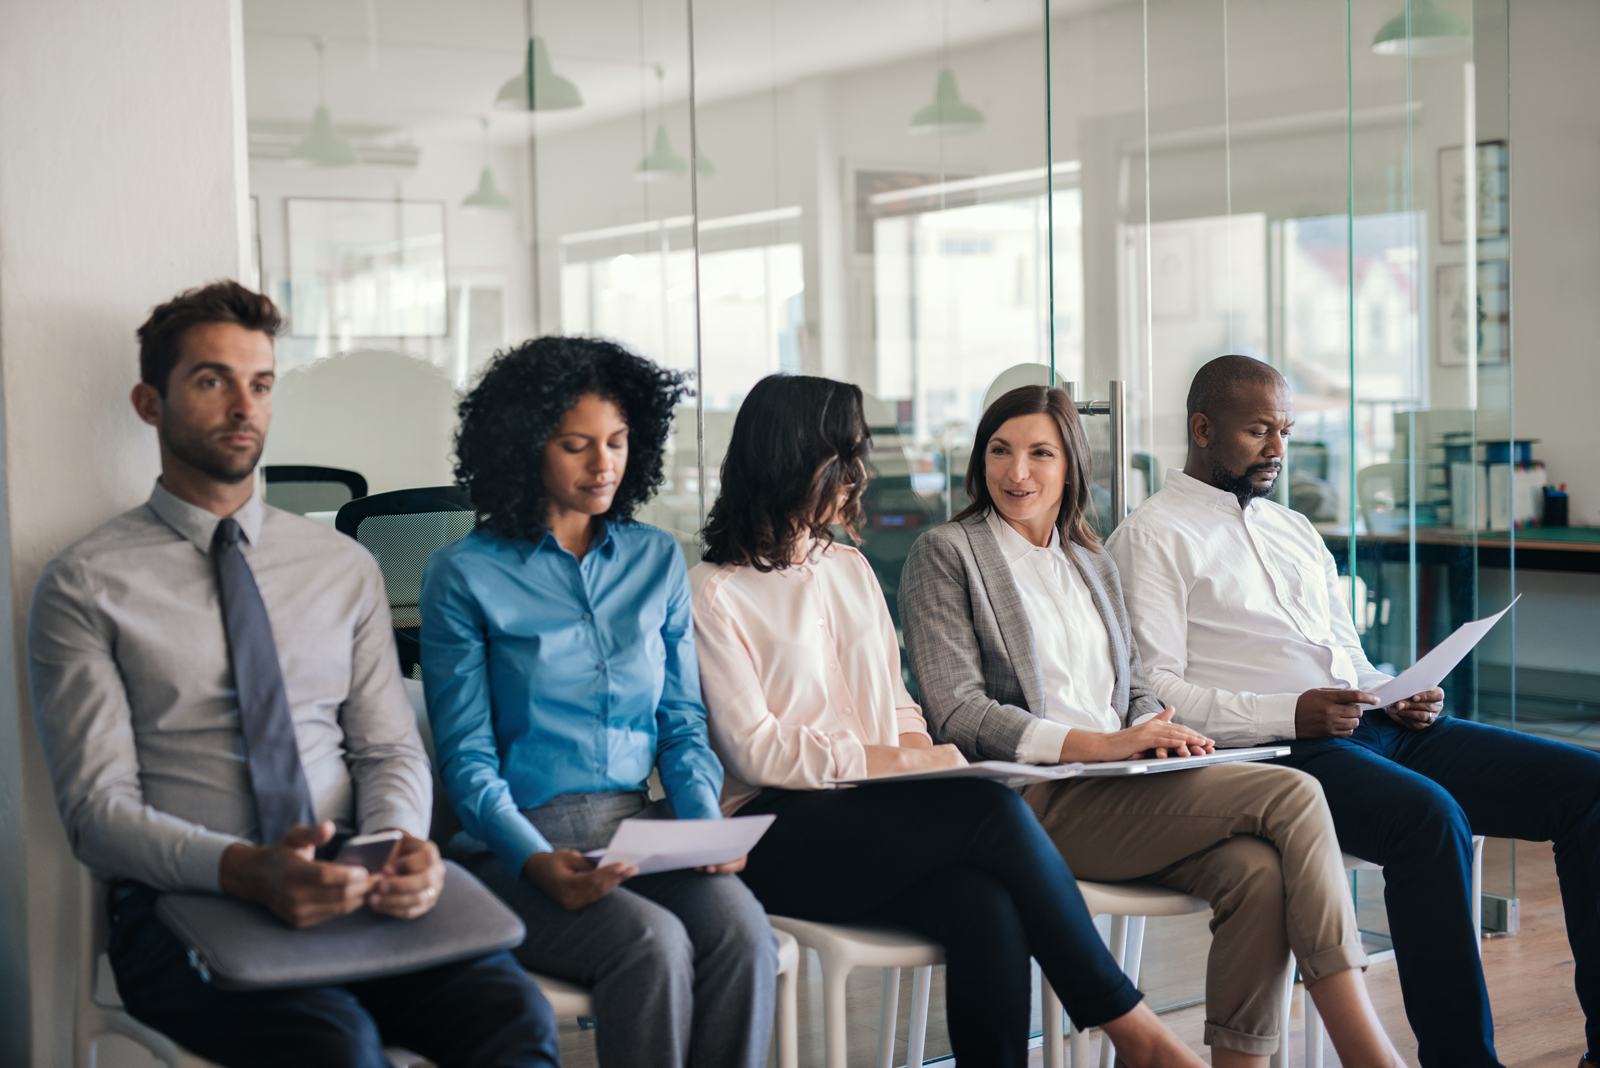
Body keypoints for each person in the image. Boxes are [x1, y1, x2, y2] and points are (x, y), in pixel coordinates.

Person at [27, 281, 557, 1068]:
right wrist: (244, 871)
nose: (245, 405)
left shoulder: (341, 567)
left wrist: (395, 843)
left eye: (261, 383)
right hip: (187, 900)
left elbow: (387, 750)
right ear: (150, 402)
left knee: (512, 1013)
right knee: (332, 1043)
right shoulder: (85, 583)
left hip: (355, 878)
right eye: (213, 381)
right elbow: (97, 814)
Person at [690, 372, 1210, 1068]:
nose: (863, 472)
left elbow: (897, 704)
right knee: (986, 807)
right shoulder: (714, 592)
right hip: (773, 831)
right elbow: (758, 753)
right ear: (795, 458)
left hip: (872, 816)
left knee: (986, 907)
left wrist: (910, 747)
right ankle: (1133, 1028)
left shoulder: (849, 569)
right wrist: (907, 762)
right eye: (848, 454)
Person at [1106, 353, 1600, 1068]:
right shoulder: (1152, 537)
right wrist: (1292, 712)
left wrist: (1398, 688)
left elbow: (1348, 656)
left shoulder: (1294, 531)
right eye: (1258, 431)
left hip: (1373, 727)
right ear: (1203, 429)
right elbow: (1157, 696)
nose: (1278, 448)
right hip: (1283, 754)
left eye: (1285, 429)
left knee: (1587, 790)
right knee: (1428, 819)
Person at [899, 383, 1403, 1068]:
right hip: (1031, 802)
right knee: (1292, 792)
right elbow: (957, 710)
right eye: (1000, 451)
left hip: (1125, 783)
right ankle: (1366, 1048)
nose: (1017, 473)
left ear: (1071, 465)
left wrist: (1159, 729)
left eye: (1040, 453)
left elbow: (1134, 686)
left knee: (1256, 873)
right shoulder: (948, 553)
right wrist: (1101, 744)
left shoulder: (1089, 558)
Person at [420, 336, 776, 1068]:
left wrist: (704, 826)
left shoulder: (655, 560)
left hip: (638, 830)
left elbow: (681, 725)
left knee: (742, 931)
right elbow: (467, 759)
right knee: (651, 944)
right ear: (525, 450)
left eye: (616, 442)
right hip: (515, 845)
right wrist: (532, 857)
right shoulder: (462, 574)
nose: (603, 462)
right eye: (577, 445)